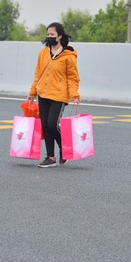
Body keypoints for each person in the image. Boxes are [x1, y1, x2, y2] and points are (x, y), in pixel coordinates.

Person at [28, 22, 80, 168]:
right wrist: (32, 92)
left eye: (52, 34)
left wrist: (74, 94)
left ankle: (65, 148)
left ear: (60, 36)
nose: (49, 37)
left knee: (52, 124)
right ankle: (50, 157)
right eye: (48, 34)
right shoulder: (43, 53)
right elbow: (38, 74)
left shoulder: (68, 55)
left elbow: (73, 77)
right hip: (43, 94)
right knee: (45, 126)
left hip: (59, 95)